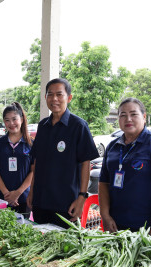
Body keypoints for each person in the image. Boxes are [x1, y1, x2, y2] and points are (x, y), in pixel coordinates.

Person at [98, 98, 151, 235]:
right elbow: (103, 183)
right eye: (122, 115)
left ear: (144, 117)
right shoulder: (112, 147)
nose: (128, 119)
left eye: (134, 114)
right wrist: (105, 216)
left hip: (147, 227)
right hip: (116, 225)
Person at [27, 78, 99, 229]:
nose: (54, 99)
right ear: (45, 97)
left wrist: (82, 198)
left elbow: (86, 164)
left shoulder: (79, 126)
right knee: (38, 245)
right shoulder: (43, 126)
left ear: (69, 97)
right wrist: (32, 191)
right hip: (41, 202)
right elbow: (37, 162)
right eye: (50, 94)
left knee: (64, 249)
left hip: (66, 204)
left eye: (59, 94)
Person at [0, 102, 33, 215]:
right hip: (0, 198)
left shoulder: (31, 144)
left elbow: (34, 171)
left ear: (22, 119)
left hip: (23, 198)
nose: (11, 123)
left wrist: (17, 193)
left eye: (14, 119)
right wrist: (6, 194)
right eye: (7, 120)